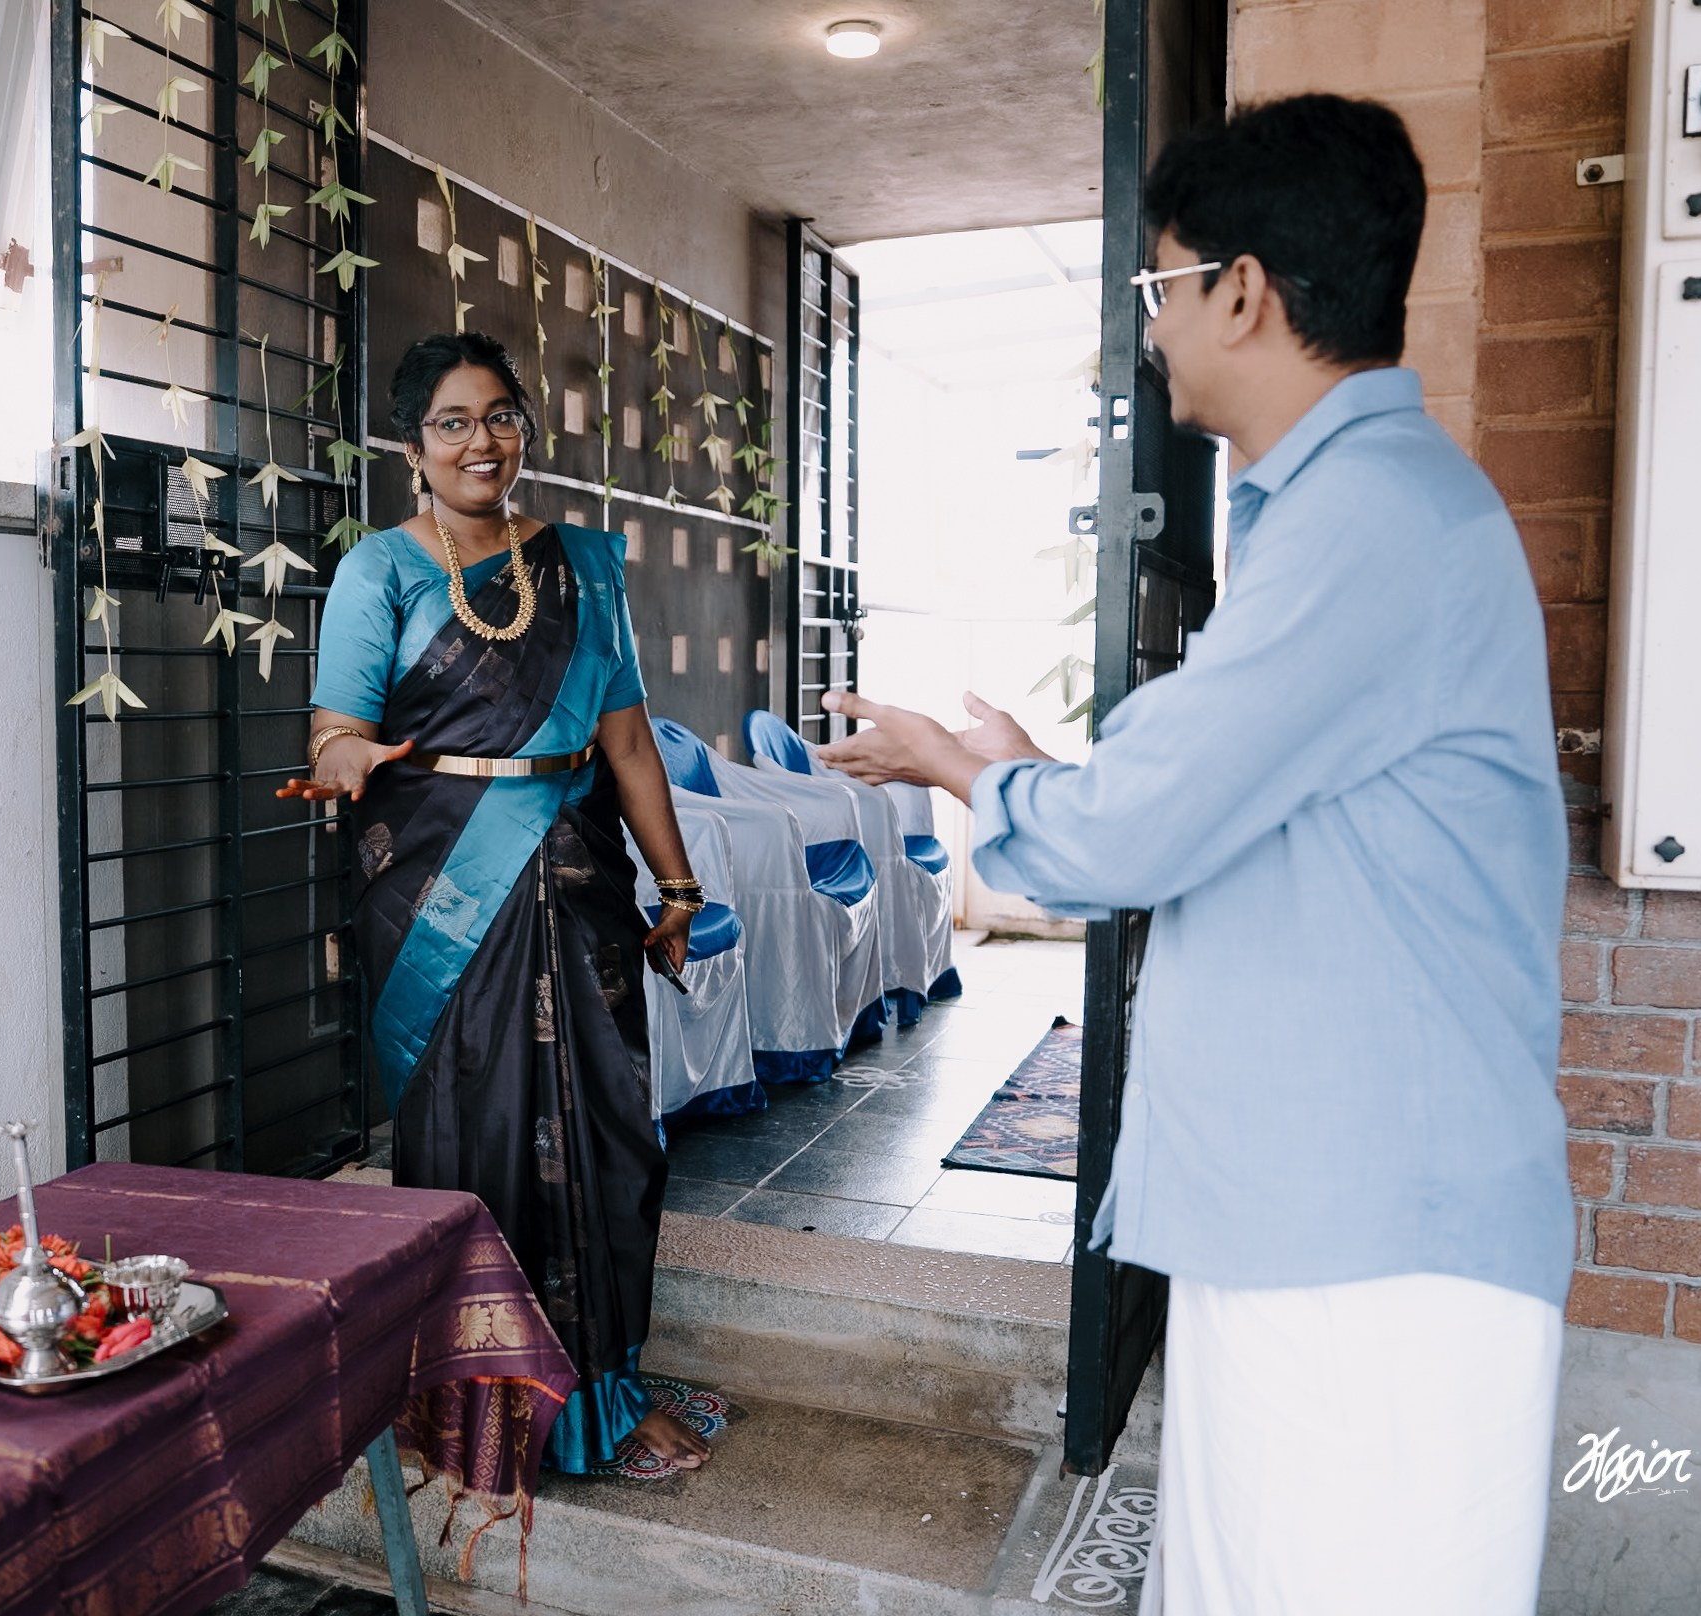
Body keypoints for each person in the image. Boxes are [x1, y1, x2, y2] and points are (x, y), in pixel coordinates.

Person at [817, 94, 1571, 1616]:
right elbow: (1208, 787)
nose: (1148, 329)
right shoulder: (1349, 515)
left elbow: (1134, 830)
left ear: (1243, 289)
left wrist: (965, 770)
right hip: (1319, 1212)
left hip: (1367, 1238)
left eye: (1157, 287)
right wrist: (1036, 777)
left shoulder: (1365, 519)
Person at [278, 331, 710, 1472]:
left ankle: (599, 1394)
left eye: (501, 415)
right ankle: (483, 1400)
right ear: (415, 446)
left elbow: (624, 735)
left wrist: (674, 882)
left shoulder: (584, 566)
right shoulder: (382, 566)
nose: (484, 439)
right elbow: (333, 726)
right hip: (440, 889)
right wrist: (345, 755)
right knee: (479, 1139)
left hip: (577, 871)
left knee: (611, 1130)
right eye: (455, 421)